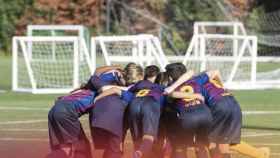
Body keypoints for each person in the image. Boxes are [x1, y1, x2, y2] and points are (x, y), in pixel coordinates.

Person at [165, 63, 213, 158]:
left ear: (170, 77)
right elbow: (211, 72)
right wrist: (196, 95)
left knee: (181, 145)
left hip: (188, 117)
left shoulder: (170, 87)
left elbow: (170, 97)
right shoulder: (196, 80)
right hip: (206, 114)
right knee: (201, 145)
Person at [47, 83, 95, 158]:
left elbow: (58, 99)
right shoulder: (97, 95)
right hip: (66, 113)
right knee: (81, 146)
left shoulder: (80, 91)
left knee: (64, 147)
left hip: (53, 112)